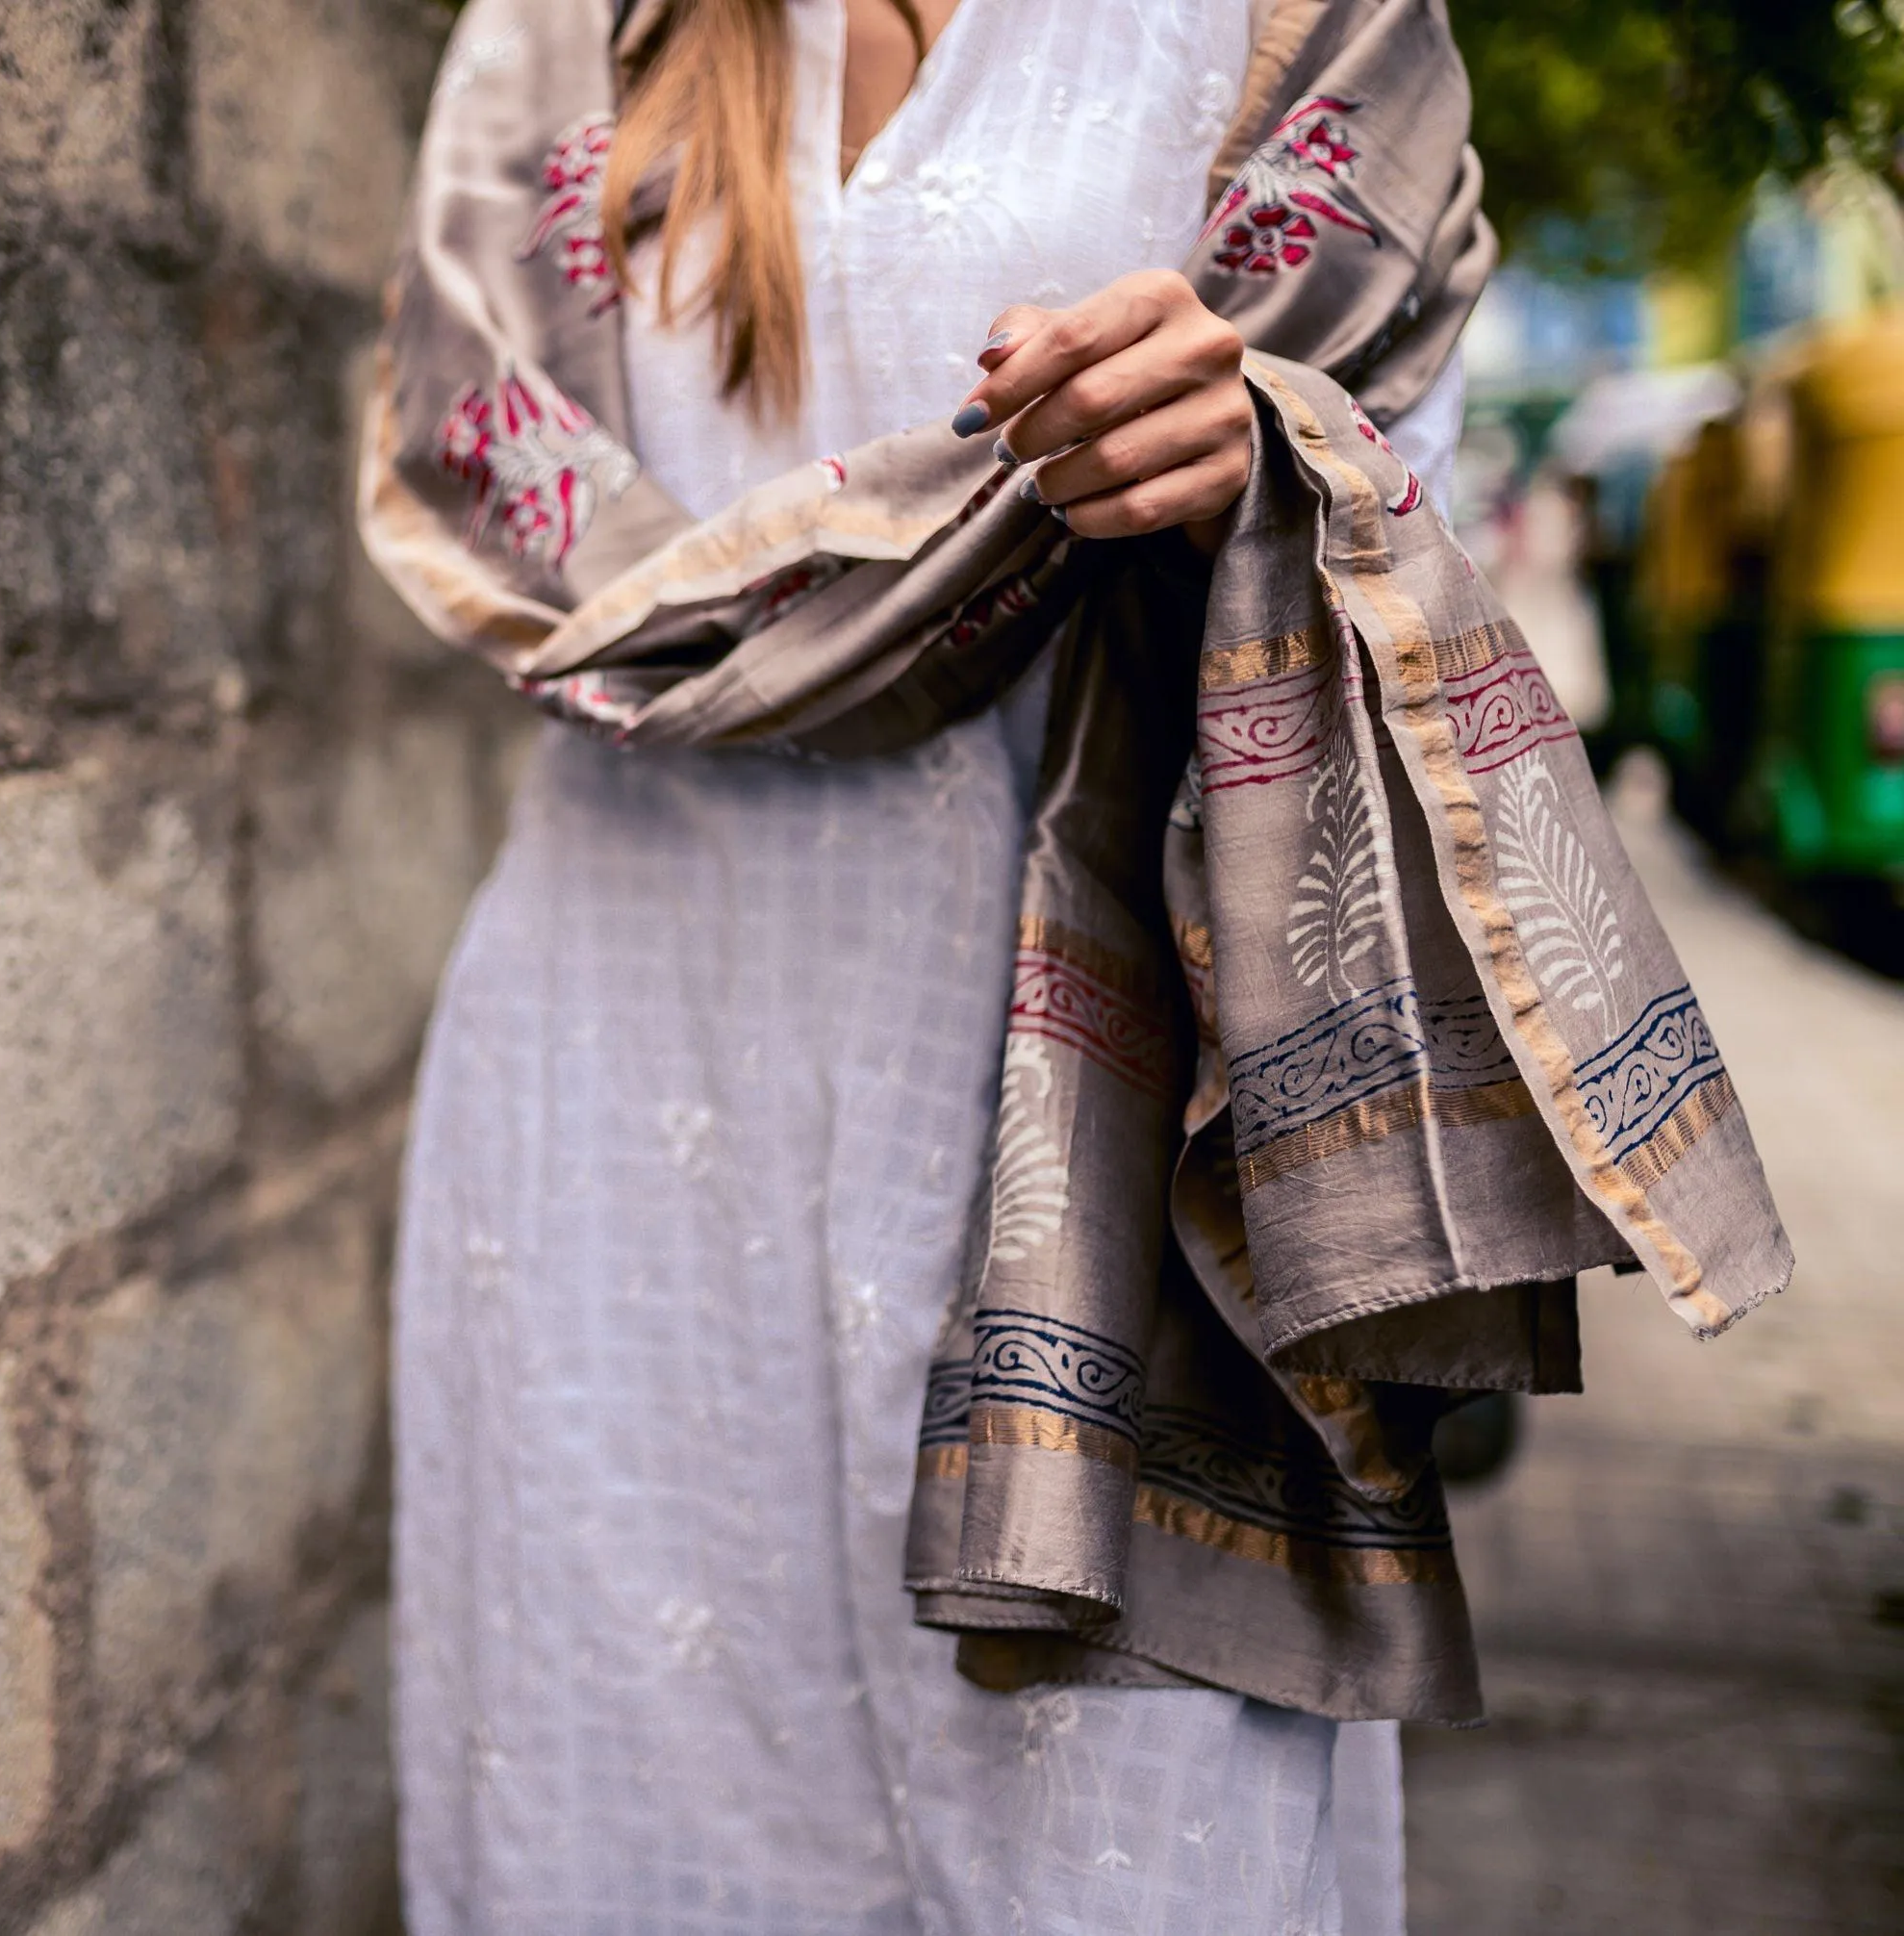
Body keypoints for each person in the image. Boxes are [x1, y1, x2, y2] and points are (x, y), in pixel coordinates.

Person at [379, 2, 1472, 1929]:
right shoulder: (568, 33)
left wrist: (1266, 454)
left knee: (1123, 1848)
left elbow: (1416, 517)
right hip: (626, 1094)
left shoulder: (1295, 22)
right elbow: (480, 460)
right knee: (645, 1815)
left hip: (1103, 1098)